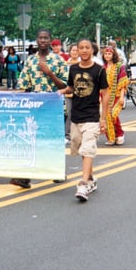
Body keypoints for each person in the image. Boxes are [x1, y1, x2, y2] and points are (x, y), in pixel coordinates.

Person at [11, 28, 68, 189]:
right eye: (40, 38)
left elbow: (65, 85)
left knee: (52, 141)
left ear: (50, 40)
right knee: (31, 141)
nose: (43, 41)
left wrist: (50, 74)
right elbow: (23, 85)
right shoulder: (30, 61)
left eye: (46, 38)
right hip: (34, 108)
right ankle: (24, 177)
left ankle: (56, 171)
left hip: (54, 107)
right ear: (36, 40)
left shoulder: (58, 60)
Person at [58, 38, 110, 201]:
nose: (85, 50)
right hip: (76, 116)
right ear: (77, 51)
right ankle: (91, 178)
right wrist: (61, 91)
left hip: (92, 117)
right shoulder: (73, 69)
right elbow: (71, 88)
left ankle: (83, 183)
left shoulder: (99, 70)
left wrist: (103, 118)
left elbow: (106, 93)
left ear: (92, 50)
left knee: (88, 148)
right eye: (81, 48)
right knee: (80, 147)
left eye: (87, 47)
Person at [101, 46, 128, 145]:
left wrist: (121, 97)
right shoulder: (102, 68)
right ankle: (111, 137)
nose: (107, 55)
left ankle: (120, 133)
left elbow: (123, 83)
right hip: (105, 96)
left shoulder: (119, 67)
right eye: (106, 54)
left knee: (113, 114)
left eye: (109, 54)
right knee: (106, 116)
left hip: (116, 95)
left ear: (113, 55)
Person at [64, 43, 80, 142]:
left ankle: (78, 134)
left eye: (76, 50)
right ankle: (67, 135)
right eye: (73, 50)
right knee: (69, 113)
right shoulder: (66, 64)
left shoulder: (82, 63)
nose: (74, 52)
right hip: (68, 92)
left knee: (79, 113)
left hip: (80, 93)